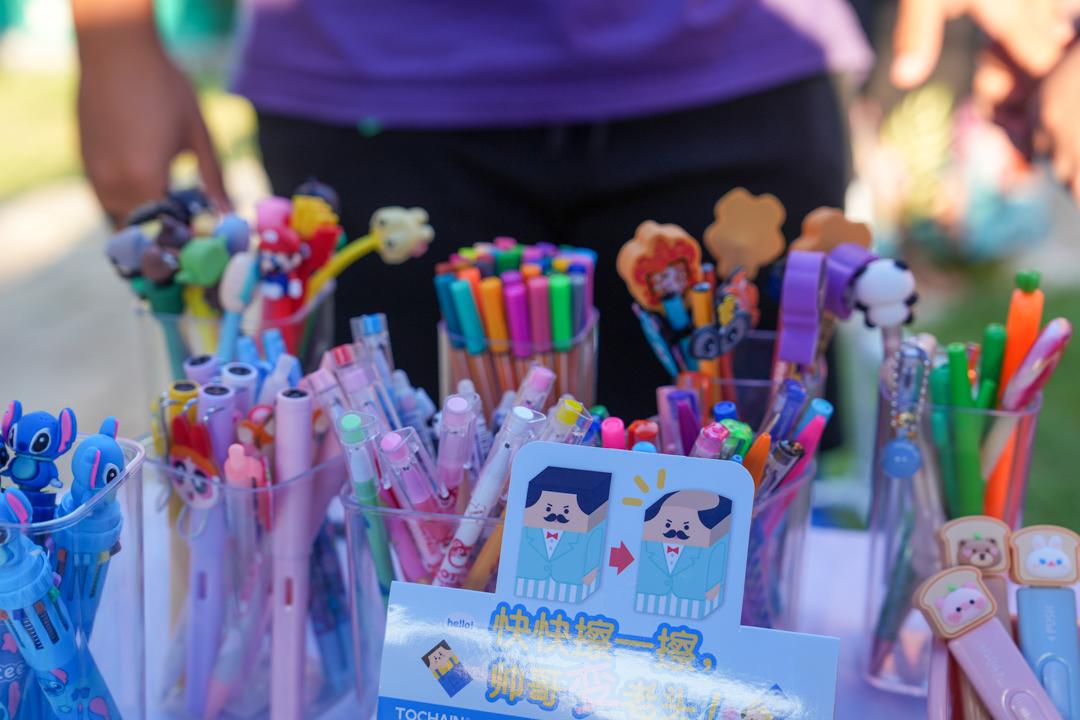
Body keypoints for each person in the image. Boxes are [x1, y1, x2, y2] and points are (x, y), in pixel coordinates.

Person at [72, 0, 1073, 418]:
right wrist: (112, 32)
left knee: (741, 551)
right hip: (368, 86)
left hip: (734, 69)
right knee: (406, 569)